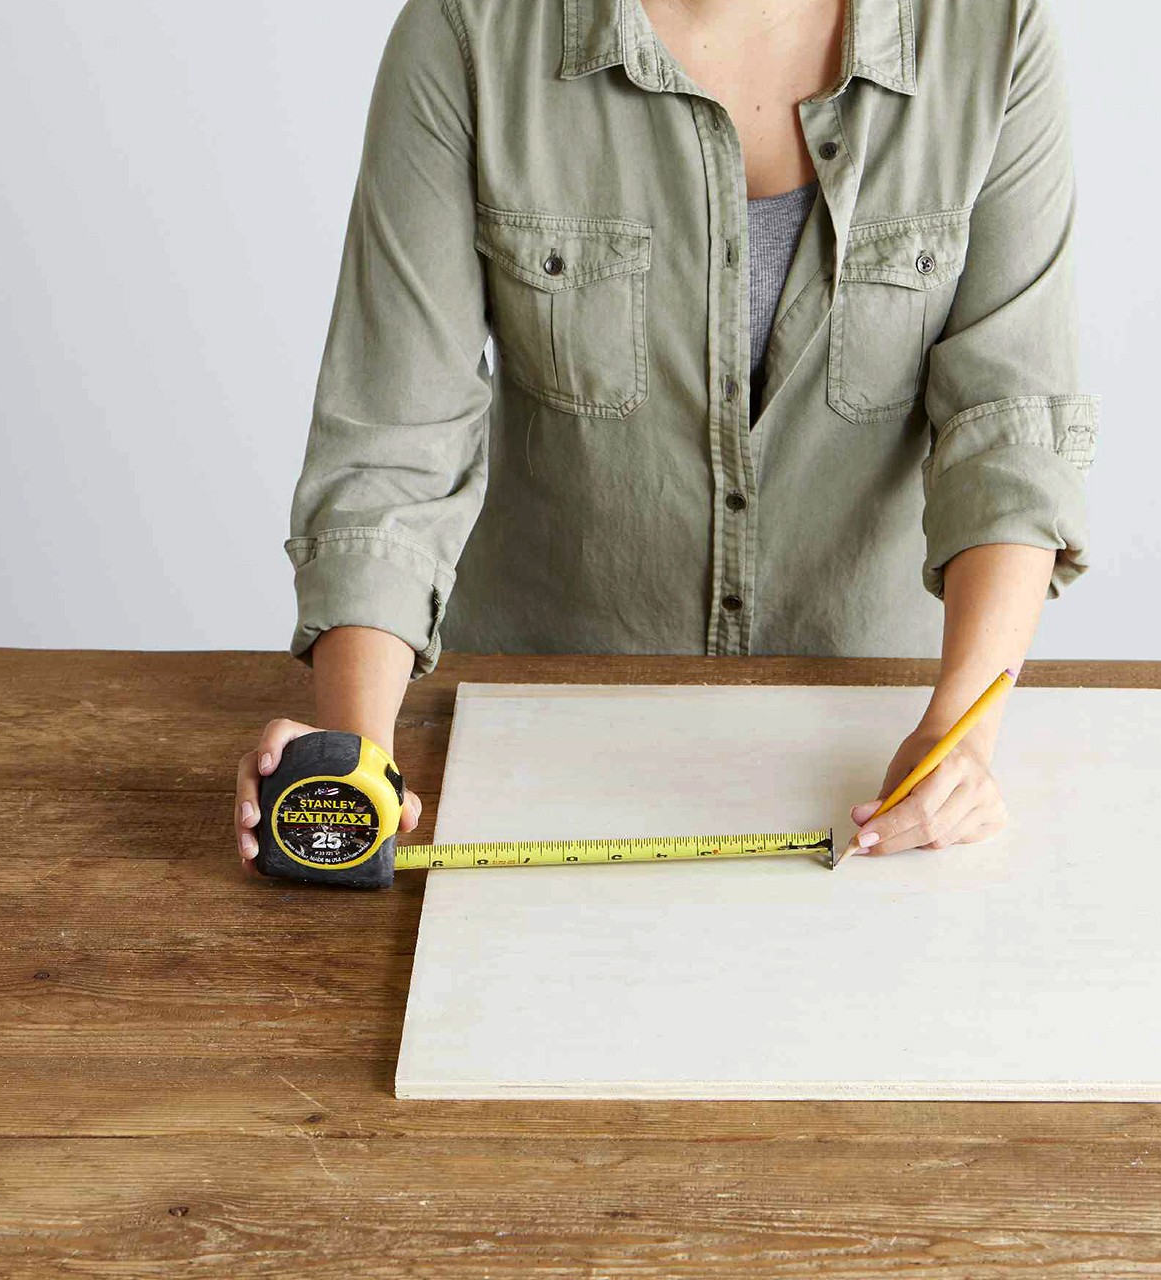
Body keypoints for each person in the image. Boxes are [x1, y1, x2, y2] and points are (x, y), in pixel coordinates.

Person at [232, 0, 1099, 867]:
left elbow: (1010, 424)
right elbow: (394, 439)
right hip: (539, 741)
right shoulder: (468, 32)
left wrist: (959, 731)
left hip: (870, 724)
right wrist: (351, 760)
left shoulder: (991, 32)